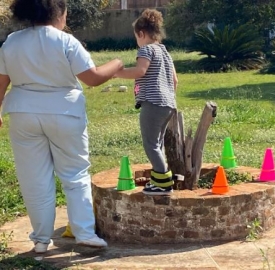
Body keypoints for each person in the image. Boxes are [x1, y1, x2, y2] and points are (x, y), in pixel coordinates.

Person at [0, 0, 123, 253]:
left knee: (34, 179)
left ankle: (41, 240)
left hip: (23, 113)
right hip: (64, 112)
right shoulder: (66, 41)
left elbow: (1, 83)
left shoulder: (12, 41)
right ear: (59, 13)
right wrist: (117, 63)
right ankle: (84, 232)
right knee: (75, 174)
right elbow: (93, 78)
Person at [115, 9, 179, 196]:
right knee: (157, 143)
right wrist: (168, 97)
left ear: (141, 33)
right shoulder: (164, 51)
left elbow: (140, 71)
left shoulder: (146, 49)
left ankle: (163, 183)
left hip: (152, 102)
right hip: (168, 104)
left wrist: (116, 72)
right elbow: (175, 80)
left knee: (150, 144)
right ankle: (160, 180)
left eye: (136, 37)